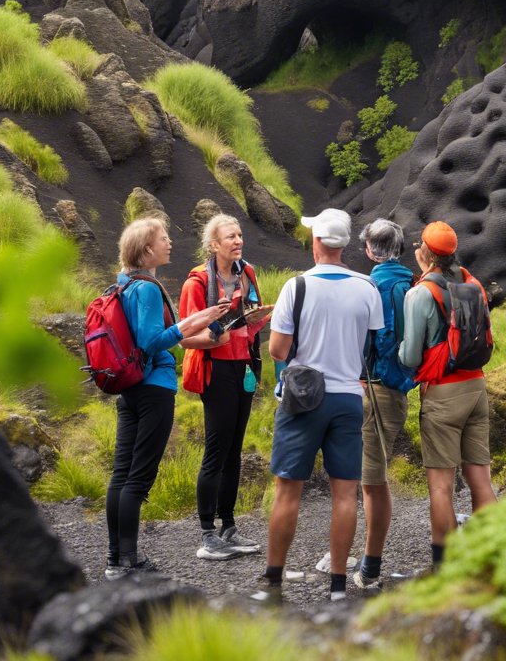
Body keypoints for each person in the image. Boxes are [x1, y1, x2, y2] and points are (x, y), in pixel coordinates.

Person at [260, 208, 382, 602]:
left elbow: (278, 349)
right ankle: (337, 586)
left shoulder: (296, 287)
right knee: (345, 493)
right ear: (344, 244)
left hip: (303, 399)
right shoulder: (367, 287)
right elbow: (370, 344)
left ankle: (274, 580)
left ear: (316, 242)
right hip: (348, 396)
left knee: (287, 491)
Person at [105, 216, 231, 579]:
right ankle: (129, 561)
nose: (169, 243)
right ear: (147, 249)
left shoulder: (124, 283)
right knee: (138, 478)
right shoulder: (146, 288)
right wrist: (194, 321)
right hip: (153, 387)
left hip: (129, 387)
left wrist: (199, 319)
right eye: (163, 238)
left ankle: (116, 559)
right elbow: (151, 341)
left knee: (121, 474)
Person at [399, 221, 496, 571]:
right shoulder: (472, 283)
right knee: (480, 480)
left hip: (443, 393)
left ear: (424, 252)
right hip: (476, 387)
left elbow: (410, 357)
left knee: (440, 486)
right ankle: (493, 558)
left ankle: (445, 564)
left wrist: (396, 354)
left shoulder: (420, 293)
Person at [180, 214, 272, 561]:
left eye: (240, 235)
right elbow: (187, 339)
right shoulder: (197, 283)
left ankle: (229, 528)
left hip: (244, 367)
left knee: (234, 450)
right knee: (216, 450)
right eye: (230, 237)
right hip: (215, 370)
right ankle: (207, 535)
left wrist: (258, 317)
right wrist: (226, 329)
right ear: (213, 244)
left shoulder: (247, 274)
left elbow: (250, 322)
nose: (238, 241)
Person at [354, 218, 416, 591]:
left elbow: (368, 339)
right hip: (400, 388)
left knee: (371, 481)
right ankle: (362, 556)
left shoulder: (370, 285)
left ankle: (370, 567)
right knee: (369, 479)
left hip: (373, 387)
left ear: (369, 250)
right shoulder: (414, 284)